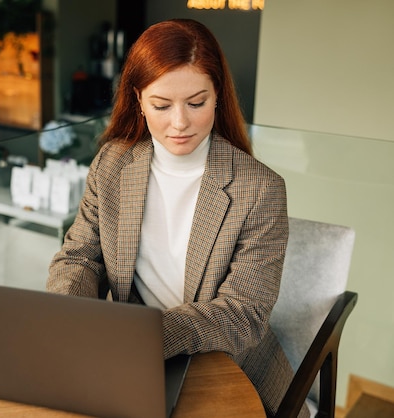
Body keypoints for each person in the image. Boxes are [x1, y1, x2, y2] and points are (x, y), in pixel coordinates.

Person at [46, 18, 309, 418]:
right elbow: (79, 256)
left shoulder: (259, 190)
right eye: (161, 105)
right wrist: (69, 316)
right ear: (138, 99)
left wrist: (144, 338)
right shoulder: (112, 165)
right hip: (129, 361)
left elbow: (244, 313)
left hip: (226, 364)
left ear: (218, 95)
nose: (180, 123)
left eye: (197, 102)